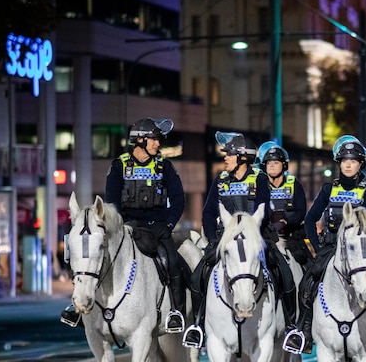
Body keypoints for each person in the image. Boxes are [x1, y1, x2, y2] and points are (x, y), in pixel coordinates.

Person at [61, 117, 187, 333]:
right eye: (154, 139)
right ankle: (78, 305)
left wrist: (168, 224)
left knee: (174, 263)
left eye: (158, 140)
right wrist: (122, 225)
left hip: (158, 226)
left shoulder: (165, 166)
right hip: (127, 227)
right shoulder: (119, 166)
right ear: (140, 141)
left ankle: (176, 312)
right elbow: (111, 202)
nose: (158, 144)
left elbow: (178, 199)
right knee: (92, 257)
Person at [282, 135, 366, 356]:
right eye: (344, 160)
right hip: (331, 249)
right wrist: (317, 248)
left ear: (360, 164)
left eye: (353, 160)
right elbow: (309, 220)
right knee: (308, 281)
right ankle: (303, 332)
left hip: (361, 251)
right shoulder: (328, 189)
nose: (348, 164)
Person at [182, 132, 296, 349]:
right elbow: (208, 213)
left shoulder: (260, 179)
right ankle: (197, 325)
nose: (225, 158)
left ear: (243, 158)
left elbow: (262, 212)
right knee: (198, 277)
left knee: (286, 275)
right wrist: (215, 240)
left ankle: (291, 327)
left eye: (229, 154)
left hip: (257, 239)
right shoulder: (220, 180)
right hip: (225, 241)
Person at [257, 141, 309, 268]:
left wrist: (286, 221)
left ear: (284, 165)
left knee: (310, 268)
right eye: (268, 163)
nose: (272, 166)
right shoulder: (259, 186)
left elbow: (301, 211)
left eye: (276, 163)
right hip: (266, 236)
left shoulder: (293, 184)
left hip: (291, 237)